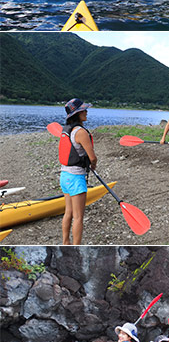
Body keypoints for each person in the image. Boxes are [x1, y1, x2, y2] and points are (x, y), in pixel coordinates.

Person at [59, 98, 97, 246]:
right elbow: (92, 157)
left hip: (64, 176)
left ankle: (65, 242)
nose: (86, 112)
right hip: (76, 177)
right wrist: (93, 165)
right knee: (79, 216)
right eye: (83, 110)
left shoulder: (66, 130)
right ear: (77, 114)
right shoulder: (81, 132)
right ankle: (76, 246)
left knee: (68, 212)